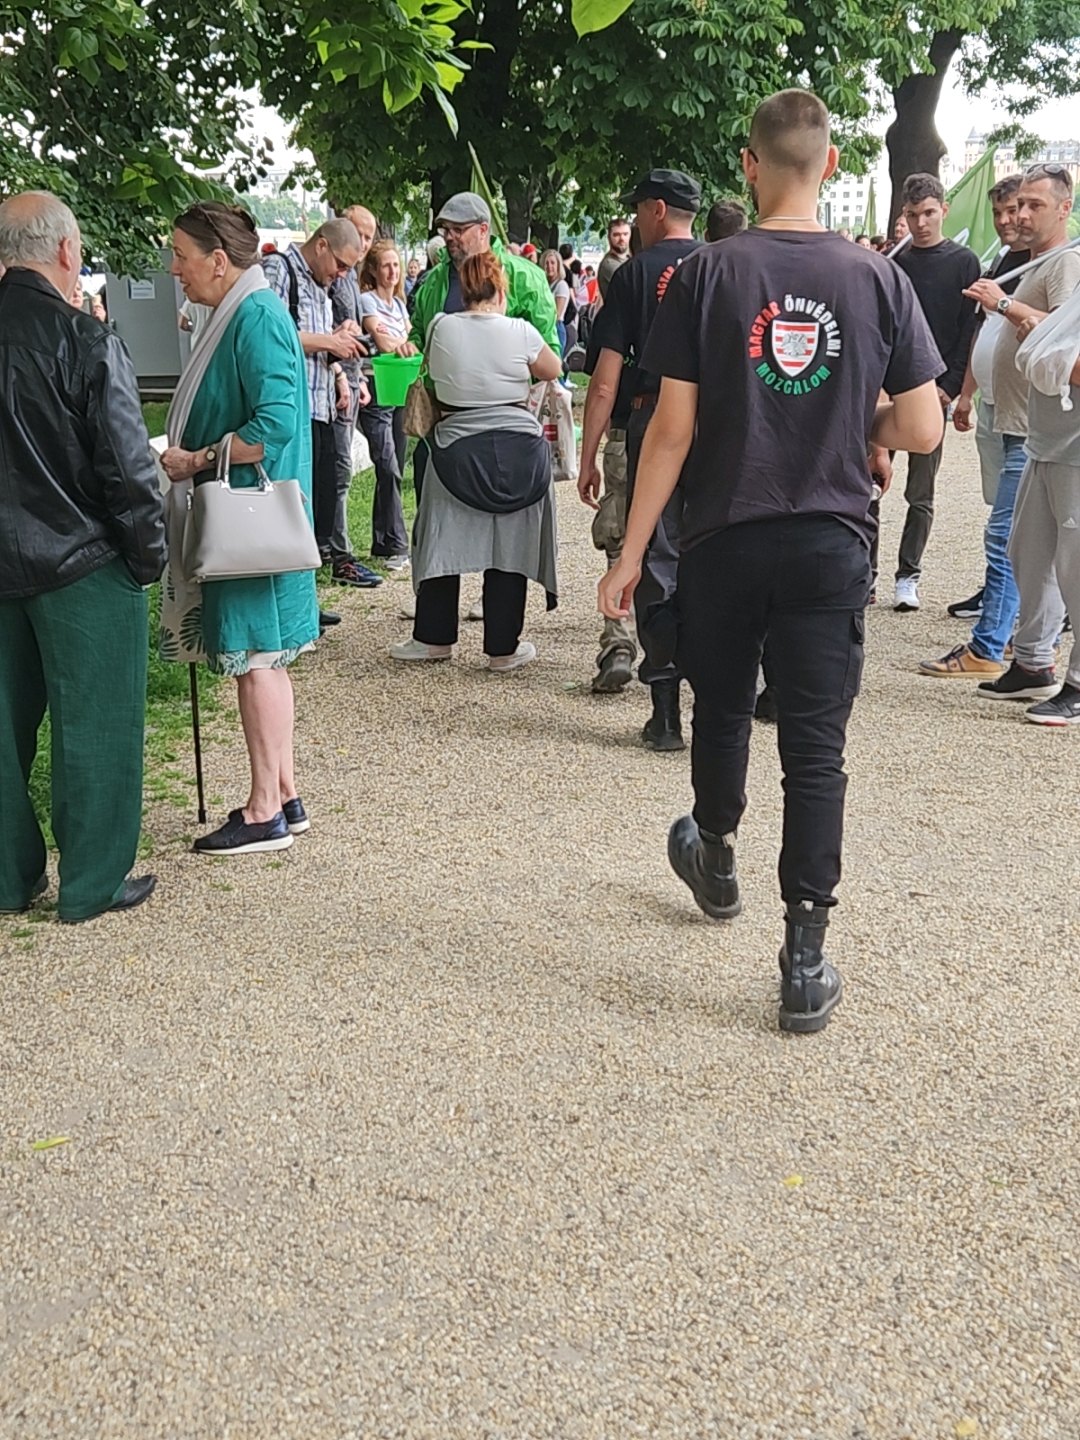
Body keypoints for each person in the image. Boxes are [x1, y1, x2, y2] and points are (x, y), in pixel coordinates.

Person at [598, 89, 944, 1033]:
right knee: (816, 749)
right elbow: (921, 426)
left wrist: (632, 553)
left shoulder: (705, 273)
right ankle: (804, 957)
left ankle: (715, 851)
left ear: (749, 166)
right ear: (830, 164)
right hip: (832, 540)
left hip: (725, 534)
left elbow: (672, 430)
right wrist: (853, 419)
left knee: (720, 707)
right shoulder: (878, 278)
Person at [0, 191, 165, 921]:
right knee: (96, 724)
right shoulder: (85, 339)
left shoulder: (81, 338)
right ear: (67, 251)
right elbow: (128, 468)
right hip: (81, 559)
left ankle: (7, 880)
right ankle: (92, 882)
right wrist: (146, 558)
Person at [160, 201, 320, 856]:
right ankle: (283, 794)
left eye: (181, 256)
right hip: (256, 514)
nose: (175, 270)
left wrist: (196, 459)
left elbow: (273, 425)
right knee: (265, 660)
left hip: (246, 515)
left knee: (256, 661)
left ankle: (263, 812)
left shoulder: (253, 315)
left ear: (219, 261)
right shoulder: (247, 308)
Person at [921, 163, 1080, 677]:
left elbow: (1066, 341)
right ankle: (1028, 660)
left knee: (1025, 546)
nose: (1020, 215)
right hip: (1015, 421)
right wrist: (969, 393)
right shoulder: (1030, 262)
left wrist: (1006, 304)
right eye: (1017, 206)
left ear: (1064, 209)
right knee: (1024, 548)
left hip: (1046, 432)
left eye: (1033, 205)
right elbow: (991, 336)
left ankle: (992, 648)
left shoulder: (1065, 263)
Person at [390, 251, 562, 670]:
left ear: (463, 291)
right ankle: (503, 647)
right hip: (518, 449)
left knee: (438, 539)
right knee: (510, 547)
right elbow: (553, 368)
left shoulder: (440, 326)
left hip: (456, 447)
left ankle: (433, 637)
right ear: (502, 291)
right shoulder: (521, 330)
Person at [580, 168, 703, 748]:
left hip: (652, 418)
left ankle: (665, 711)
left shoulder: (632, 275)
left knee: (653, 555)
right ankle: (724, 697)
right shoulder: (721, 265)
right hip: (716, 424)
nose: (632, 220)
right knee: (711, 553)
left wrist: (587, 454)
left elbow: (605, 380)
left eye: (637, 209)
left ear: (657, 210)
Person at [262, 218, 382, 589]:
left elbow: (313, 341)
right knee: (294, 509)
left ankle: (305, 596)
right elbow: (271, 333)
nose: (342, 275)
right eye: (341, 265)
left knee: (320, 507)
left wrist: (338, 357)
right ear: (321, 246)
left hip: (322, 404)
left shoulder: (320, 284)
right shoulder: (279, 269)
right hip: (293, 408)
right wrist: (330, 342)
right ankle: (293, 596)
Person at [981, 286, 1080, 720]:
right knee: (1030, 556)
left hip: (1075, 452)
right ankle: (1032, 663)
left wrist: (1041, 344)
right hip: (1046, 443)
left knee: (1077, 568)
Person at [887, 173, 981, 612]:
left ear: (943, 210)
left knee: (920, 492)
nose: (921, 223)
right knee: (869, 483)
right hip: (889, 389)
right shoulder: (895, 262)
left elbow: (967, 330)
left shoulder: (964, 262)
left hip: (934, 390)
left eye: (928, 213)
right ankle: (863, 574)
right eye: (912, 214)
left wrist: (951, 387)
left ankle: (908, 574)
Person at [945, 175, 1030, 620]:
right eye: (998, 212)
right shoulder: (1002, 259)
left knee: (1015, 520)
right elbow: (982, 329)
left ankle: (1020, 604)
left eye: (1013, 210)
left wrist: (1003, 303)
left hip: (1024, 410)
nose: (1005, 221)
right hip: (992, 404)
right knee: (1000, 509)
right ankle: (998, 588)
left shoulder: (1044, 261)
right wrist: (966, 395)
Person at [358, 238, 417, 568]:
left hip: (399, 387)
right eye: (386, 266)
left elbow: (410, 339)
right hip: (375, 386)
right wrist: (400, 343)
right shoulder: (367, 301)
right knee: (387, 464)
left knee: (394, 465)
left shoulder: (398, 305)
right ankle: (396, 543)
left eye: (396, 265)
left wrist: (401, 343)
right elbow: (383, 341)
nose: (393, 272)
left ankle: (382, 540)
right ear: (374, 270)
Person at [542, 248, 572, 353]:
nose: (549, 266)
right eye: (546, 263)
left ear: (558, 265)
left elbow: (557, 314)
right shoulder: (546, 284)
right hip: (546, 328)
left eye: (552, 263)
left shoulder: (561, 285)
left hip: (555, 328)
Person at [597, 218, 632, 301]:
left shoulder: (628, 258)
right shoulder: (609, 264)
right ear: (609, 237)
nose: (622, 238)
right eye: (616, 235)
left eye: (625, 234)